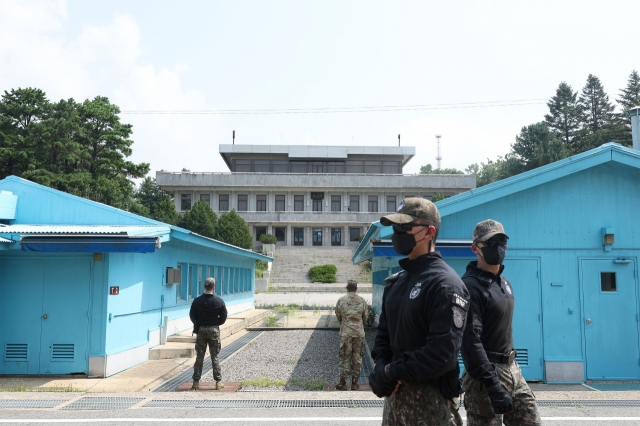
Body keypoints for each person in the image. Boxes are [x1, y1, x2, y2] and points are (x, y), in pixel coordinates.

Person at [369, 198, 470, 426]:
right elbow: (383, 336)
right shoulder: (397, 283)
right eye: (395, 228)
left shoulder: (445, 284)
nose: (397, 233)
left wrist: (391, 371)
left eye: (405, 227)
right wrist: (379, 368)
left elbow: (440, 354)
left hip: (432, 407)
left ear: (429, 232)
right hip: (394, 405)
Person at [460, 219, 541, 425]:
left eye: (501, 242)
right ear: (475, 248)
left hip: (512, 368)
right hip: (485, 375)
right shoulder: (470, 286)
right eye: (490, 243)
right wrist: (493, 385)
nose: (497, 247)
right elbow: (470, 342)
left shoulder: (505, 283)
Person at [189, 277, 228, 390]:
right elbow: (224, 317)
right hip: (214, 330)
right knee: (215, 356)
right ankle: (218, 382)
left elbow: (192, 316)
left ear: (204, 287)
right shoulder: (219, 301)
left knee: (199, 357)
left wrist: (198, 323)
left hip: (201, 330)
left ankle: (196, 382)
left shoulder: (197, 301)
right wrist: (216, 323)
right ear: (214, 287)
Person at [334, 279, 368, 391]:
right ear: (356, 288)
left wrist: (344, 324)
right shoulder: (362, 300)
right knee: (357, 357)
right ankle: (354, 383)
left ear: (347, 288)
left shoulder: (341, 300)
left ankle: (343, 384)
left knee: (345, 357)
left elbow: (338, 316)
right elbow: (365, 317)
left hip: (346, 333)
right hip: (359, 333)